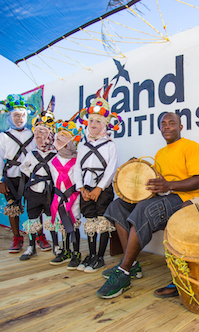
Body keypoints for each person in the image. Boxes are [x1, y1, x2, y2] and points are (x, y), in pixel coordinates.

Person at [96, 112, 199, 299]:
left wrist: (169, 185)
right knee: (118, 206)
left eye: (172, 123)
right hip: (163, 198)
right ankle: (131, 265)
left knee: (145, 208)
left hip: (184, 199)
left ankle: (123, 272)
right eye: (163, 124)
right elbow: (158, 184)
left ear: (180, 127)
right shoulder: (160, 153)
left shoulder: (191, 147)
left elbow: (198, 181)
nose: (167, 127)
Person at [0, 94, 51, 253]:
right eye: (16, 115)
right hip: (11, 178)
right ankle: (17, 238)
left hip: (31, 176)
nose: (20, 118)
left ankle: (40, 236)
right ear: (9, 116)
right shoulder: (3, 136)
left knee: (35, 207)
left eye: (23, 115)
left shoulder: (32, 134)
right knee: (13, 207)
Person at [74, 85, 121, 273]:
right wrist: (81, 188)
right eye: (91, 121)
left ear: (105, 125)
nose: (93, 125)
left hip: (102, 189)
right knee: (90, 221)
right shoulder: (83, 146)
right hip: (86, 188)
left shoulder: (110, 145)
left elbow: (111, 169)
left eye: (98, 122)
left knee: (102, 222)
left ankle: (100, 257)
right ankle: (92, 254)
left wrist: (99, 188)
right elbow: (77, 167)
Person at [18, 98, 57, 260]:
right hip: (33, 192)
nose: (40, 137)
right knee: (33, 219)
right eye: (37, 133)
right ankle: (31, 246)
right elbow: (24, 169)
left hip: (50, 192)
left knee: (52, 220)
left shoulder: (55, 155)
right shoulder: (31, 154)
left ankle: (57, 246)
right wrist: (35, 179)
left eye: (44, 133)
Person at [46, 116, 84, 270]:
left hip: (73, 196)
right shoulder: (52, 161)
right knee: (61, 224)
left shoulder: (78, 160)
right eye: (59, 139)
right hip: (58, 197)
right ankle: (65, 251)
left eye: (64, 140)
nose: (60, 143)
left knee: (73, 223)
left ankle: (76, 253)